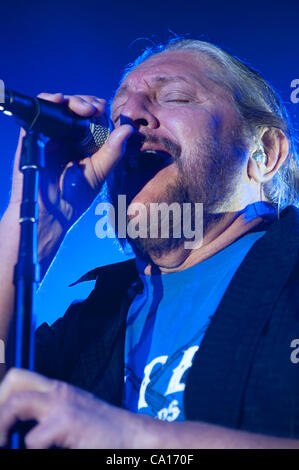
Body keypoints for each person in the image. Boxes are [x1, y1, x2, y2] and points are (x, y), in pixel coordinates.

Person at [0, 38, 298, 449]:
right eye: (120, 107)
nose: (128, 116)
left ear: (264, 152)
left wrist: (134, 437)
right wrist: (34, 225)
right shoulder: (96, 319)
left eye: (174, 96)